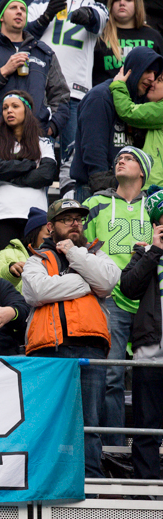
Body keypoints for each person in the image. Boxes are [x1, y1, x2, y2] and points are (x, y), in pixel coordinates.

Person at [22, 198, 121, 479]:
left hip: (90, 347)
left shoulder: (96, 255)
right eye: (66, 219)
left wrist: (75, 254)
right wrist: (86, 282)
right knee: (47, 420)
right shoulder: (37, 258)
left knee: (88, 423)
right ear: (50, 227)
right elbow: (37, 291)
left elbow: (108, 281)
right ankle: (47, 483)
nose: (74, 223)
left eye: (78, 219)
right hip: (47, 350)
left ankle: (90, 482)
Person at [83, 146, 154, 446]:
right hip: (111, 299)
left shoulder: (155, 206)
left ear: (143, 172)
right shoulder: (94, 203)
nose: (120, 161)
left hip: (151, 302)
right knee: (111, 376)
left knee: (150, 377)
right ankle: (113, 449)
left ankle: (147, 448)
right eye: (118, 159)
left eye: (129, 158)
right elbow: (83, 249)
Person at [0, 0, 70, 138]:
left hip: (35, 138)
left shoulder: (44, 52)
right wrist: (2, 72)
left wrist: (51, 127)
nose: (19, 12)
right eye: (13, 8)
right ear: (1, 17)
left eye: (23, 9)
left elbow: (61, 96)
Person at [27, 0, 109, 162]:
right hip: (40, 89)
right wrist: (45, 18)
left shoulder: (98, 6)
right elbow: (22, 35)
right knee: (37, 153)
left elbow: (98, 19)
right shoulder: (43, 0)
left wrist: (88, 15)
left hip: (76, 92)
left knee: (72, 156)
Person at [71, 46, 162, 200]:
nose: (152, 78)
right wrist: (102, 188)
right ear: (133, 70)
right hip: (95, 189)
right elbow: (93, 147)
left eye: (155, 74)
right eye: (147, 71)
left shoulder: (141, 101)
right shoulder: (100, 97)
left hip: (127, 190)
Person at [118, 186, 163, 481]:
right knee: (147, 426)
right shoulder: (144, 252)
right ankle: (146, 489)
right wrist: (154, 251)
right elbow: (129, 287)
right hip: (151, 353)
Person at [0, 91, 59, 252]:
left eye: (15, 106)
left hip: (36, 218)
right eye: (5, 108)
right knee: (5, 266)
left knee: (36, 265)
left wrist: (9, 176)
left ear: (26, 110)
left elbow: (46, 175)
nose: (9, 111)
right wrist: (28, 164)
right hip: (1, 217)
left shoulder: (43, 143)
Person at [93, 0, 163, 87]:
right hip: (106, 94)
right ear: (111, 4)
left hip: (142, 95)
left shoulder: (154, 36)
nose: (122, 3)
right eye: (117, 0)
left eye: (128, 0)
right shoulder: (99, 36)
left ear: (137, 4)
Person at [112, 65, 163, 188]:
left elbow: (129, 112)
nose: (152, 83)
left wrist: (118, 85)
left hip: (156, 187)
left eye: (160, 80)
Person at [0, 206, 50, 293]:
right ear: (34, 234)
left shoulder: (63, 256)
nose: (53, 238)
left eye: (55, 233)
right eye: (48, 233)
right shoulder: (5, 254)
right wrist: (10, 273)